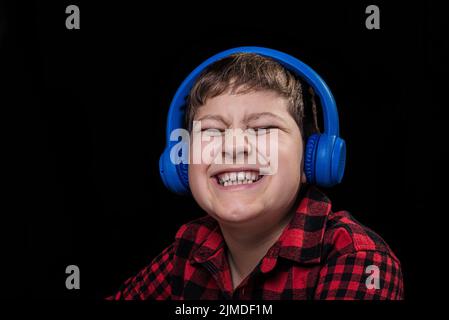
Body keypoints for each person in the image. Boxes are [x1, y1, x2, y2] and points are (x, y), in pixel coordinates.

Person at [108, 48, 404, 300]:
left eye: (263, 128)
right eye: (211, 131)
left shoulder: (358, 259)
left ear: (313, 158)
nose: (234, 146)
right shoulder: (189, 247)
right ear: (181, 164)